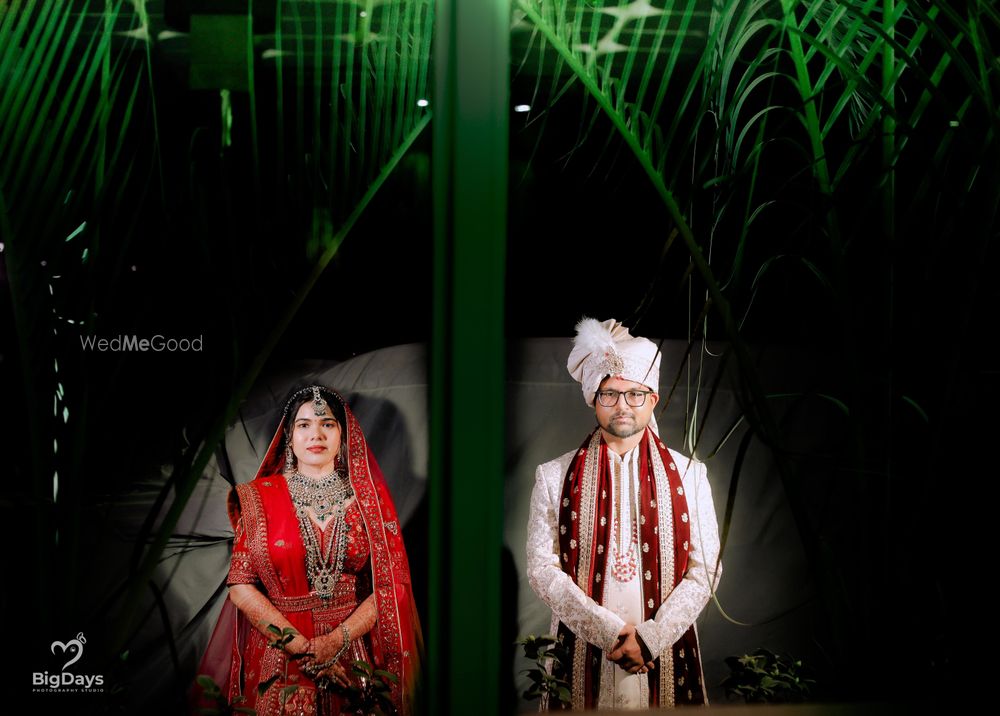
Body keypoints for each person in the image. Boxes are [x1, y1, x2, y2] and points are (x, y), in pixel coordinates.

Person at [526, 318, 722, 710]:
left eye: (635, 394)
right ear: (593, 399)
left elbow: (706, 571)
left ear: (653, 399)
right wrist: (611, 634)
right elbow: (541, 569)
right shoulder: (553, 476)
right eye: (610, 394)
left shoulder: (690, 475)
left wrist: (649, 639)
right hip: (584, 649)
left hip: (663, 651)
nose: (622, 406)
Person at [196, 385, 422, 715]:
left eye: (327, 424)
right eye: (304, 425)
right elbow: (241, 585)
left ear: (343, 434)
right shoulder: (259, 498)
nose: (316, 434)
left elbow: (390, 586)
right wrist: (302, 647)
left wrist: (336, 641)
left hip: (351, 653)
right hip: (281, 653)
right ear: (289, 437)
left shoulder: (369, 502)